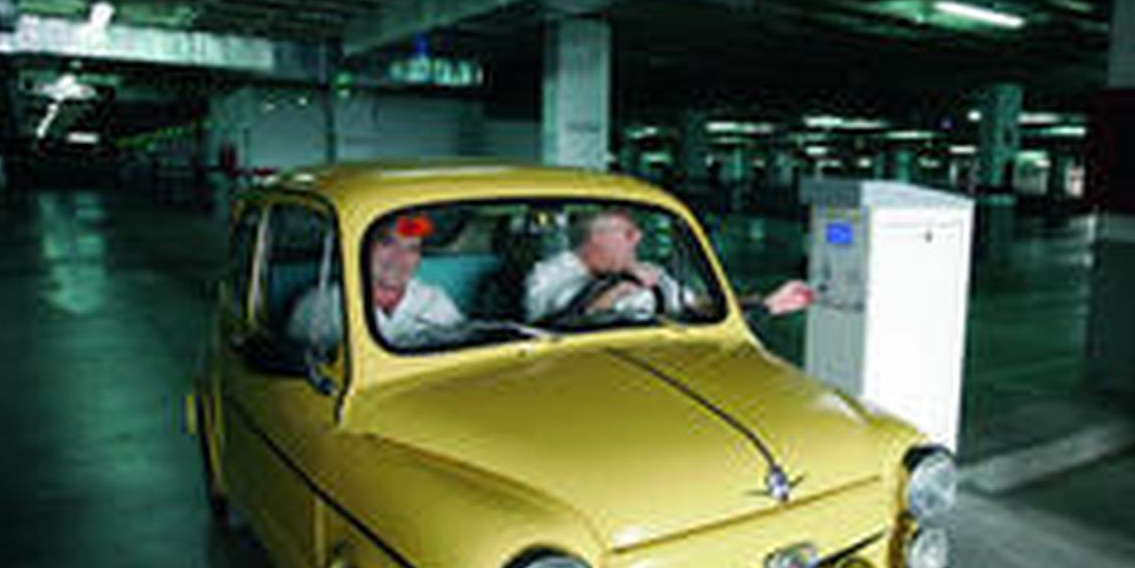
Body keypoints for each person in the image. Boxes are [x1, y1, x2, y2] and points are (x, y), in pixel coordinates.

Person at [524, 208, 813, 325]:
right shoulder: (549, 275)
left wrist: (765, 303)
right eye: (628, 232)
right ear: (595, 238)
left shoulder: (649, 271)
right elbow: (564, 321)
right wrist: (624, 285)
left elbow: (697, 305)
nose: (638, 238)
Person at [288, 214, 463, 352]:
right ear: (363, 248)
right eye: (388, 243)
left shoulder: (435, 301)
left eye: (412, 249)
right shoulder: (318, 306)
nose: (399, 257)